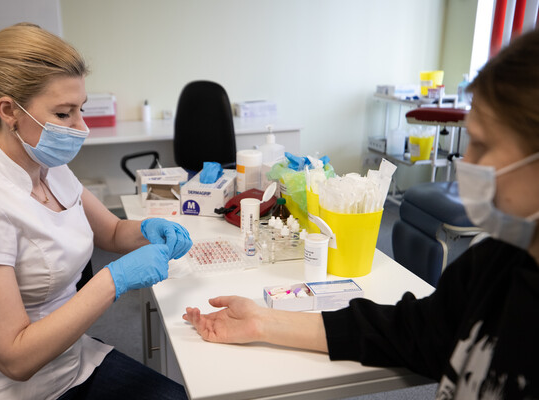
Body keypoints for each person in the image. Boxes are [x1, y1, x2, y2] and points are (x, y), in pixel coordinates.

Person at [184, 29, 539, 399]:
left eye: (482, 144)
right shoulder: (495, 263)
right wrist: (263, 321)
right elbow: (410, 331)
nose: (467, 164)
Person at [0, 23, 192, 399]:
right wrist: (113, 280)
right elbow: (14, 359)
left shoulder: (49, 168)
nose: (82, 128)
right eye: (64, 114)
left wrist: (148, 229)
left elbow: (111, 232)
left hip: (69, 362)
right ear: (9, 110)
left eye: (80, 109)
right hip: (0, 389)